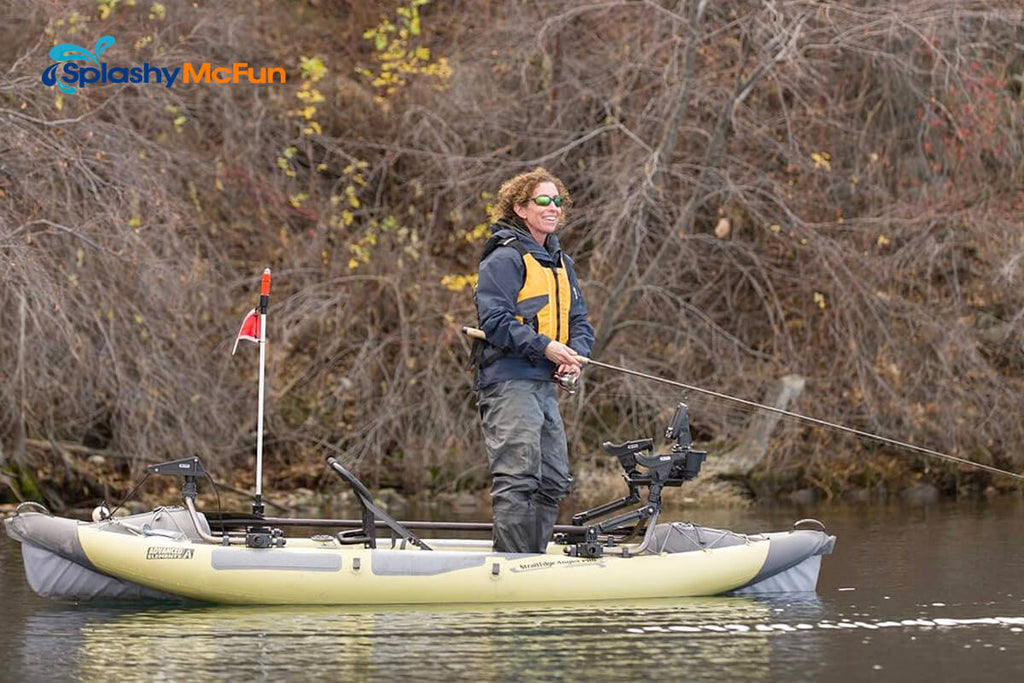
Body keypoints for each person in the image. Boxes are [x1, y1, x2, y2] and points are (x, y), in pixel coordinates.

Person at [473, 167, 595, 553]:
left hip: (544, 384)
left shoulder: (562, 261)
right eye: (543, 200)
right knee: (518, 478)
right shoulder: (505, 258)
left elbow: (580, 322)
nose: (553, 207)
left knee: (555, 480)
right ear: (520, 208)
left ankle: (534, 559)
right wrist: (545, 347)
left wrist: (576, 356)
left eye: (557, 200)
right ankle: (512, 565)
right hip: (509, 383)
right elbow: (493, 320)